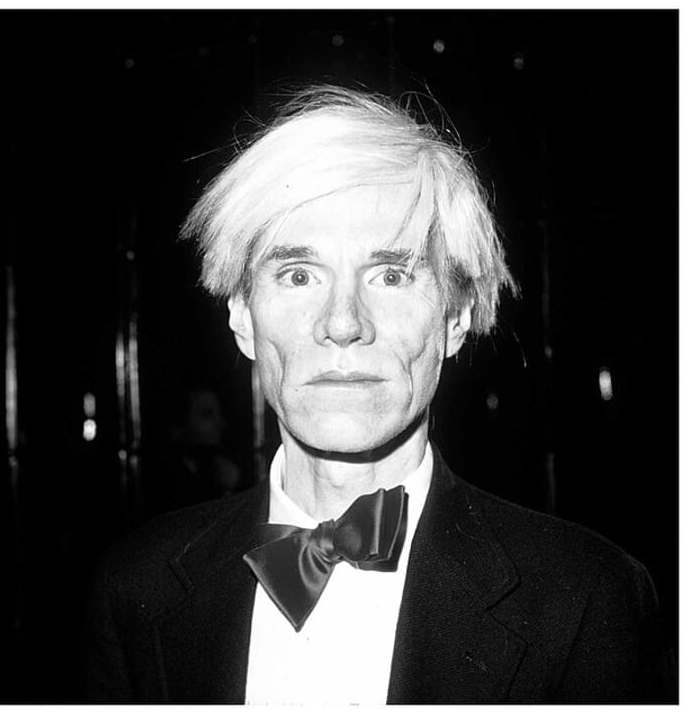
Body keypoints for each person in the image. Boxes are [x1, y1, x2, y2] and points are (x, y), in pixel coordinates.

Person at [85, 85, 675, 704]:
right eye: (299, 275)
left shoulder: (588, 600)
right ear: (242, 315)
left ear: (455, 318)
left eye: (391, 275)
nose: (343, 322)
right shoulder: (135, 586)